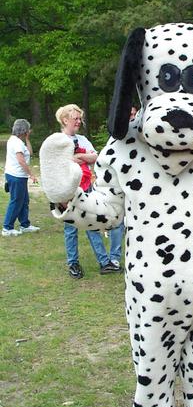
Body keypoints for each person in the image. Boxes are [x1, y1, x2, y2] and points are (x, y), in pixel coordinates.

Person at [55, 104, 124, 278]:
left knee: (91, 224)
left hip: (85, 188)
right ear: (65, 120)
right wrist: (77, 159)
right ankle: (73, 263)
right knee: (71, 229)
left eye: (80, 118)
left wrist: (78, 157)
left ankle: (104, 262)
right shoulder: (58, 140)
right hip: (67, 190)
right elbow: (57, 162)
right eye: (75, 118)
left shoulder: (82, 140)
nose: (79, 121)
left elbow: (95, 157)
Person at [2, 119, 40, 237]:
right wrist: (31, 174)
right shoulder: (16, 143)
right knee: (16, 201)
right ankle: (7, 228)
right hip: (16, 176)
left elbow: (30, 152)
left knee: (24, 201)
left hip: (18, 176)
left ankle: (25, 225)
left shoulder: (17, 141)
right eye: (27, 130)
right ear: (24, 130)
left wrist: (27, 139)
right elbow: (21, 161)